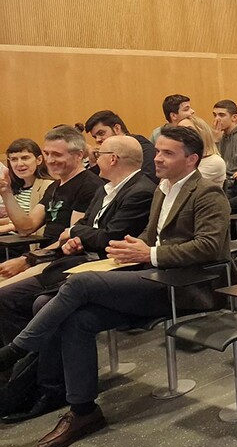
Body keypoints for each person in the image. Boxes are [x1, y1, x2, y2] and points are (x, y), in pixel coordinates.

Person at [0, 126, 230, 447]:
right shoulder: (163, 189)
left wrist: (148, 253)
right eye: (158, 151)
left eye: (167, 153)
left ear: (191, 159)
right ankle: (83, 411)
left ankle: (15, 351)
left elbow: (209, 246)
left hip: (190, 285)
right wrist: (132, 247)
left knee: (80, 282)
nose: (157, 158)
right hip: (154, 275)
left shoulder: (207, 192)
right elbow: (152, 236)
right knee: (77, 319)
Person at [0, 136, 155, 421]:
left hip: (110, 268)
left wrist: (74, 235)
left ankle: (39, 381)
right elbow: (84, 227)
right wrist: (76, 237)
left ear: (113, 159)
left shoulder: (140, 190)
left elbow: (108, 237)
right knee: (10, 298)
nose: (94, 157)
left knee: (43, 303)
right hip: (77, 260)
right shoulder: (106, 188)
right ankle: (21, 380)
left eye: (99, 152)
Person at [0, 127, 102, 281]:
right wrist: (6, 192)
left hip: (62, 261)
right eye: (47, 153)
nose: (49, 160)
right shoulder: (55, 186)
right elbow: (26, 227)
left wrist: (26, 260)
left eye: (57, 155)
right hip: (42, 257)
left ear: (79, 155)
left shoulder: (89, 186)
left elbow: (71, 241)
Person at [83, 110, 156, 179]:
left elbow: (148, 179)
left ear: (117, 129)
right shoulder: (106, 154)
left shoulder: (143, 147)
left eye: (101, 133)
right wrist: (93, 163)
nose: (97, 140)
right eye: (95, 137)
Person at [0, 140, 51, 236]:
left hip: (29, 239)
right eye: (14, 159)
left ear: (39, 160)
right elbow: (13, 220)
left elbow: (31, 225)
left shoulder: (48, 186)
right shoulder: (17, 187)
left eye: (25, 158)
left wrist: (7, 227)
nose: (19, 164)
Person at [177, 116, 227, 189]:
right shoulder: (183, 158)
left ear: (202, 133)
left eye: (189, 130)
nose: (181, 135)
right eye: (178, 130)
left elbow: (183, 185)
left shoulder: (214, 162)